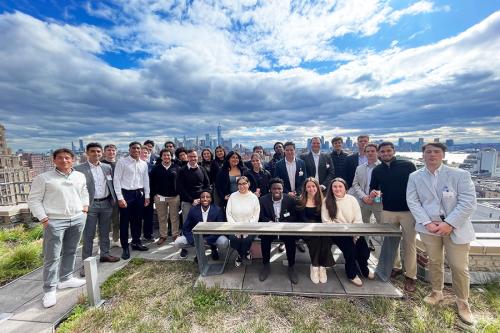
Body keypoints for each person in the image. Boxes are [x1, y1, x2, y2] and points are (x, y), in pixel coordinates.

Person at [407, 143, 477, 325]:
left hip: (456, 227)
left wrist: (449, 223)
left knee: (459, 266)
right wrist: (428, 223)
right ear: (423, 155)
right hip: (428, 227)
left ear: (443, 155)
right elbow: (413, 201)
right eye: (428, 151)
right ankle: (436, 292)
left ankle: (463, 302)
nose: (432, 155)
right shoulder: (415, 176)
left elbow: (468, 202)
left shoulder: (460, 175)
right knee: (435, 261)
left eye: (436, 151)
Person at [28, 148, 89, 308]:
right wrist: (44, 219)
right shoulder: (44, 178)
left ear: (73, 160)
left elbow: (84, 192)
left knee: (71, 250)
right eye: (60, 158)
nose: (64, 161)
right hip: (55, 221)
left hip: (77, 218)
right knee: (52, 256)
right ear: (54, 160)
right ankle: (49, 289)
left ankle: (66, 279)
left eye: (67, 158)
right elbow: (34, 200)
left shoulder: (79, 176)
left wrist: (84, 209)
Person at [370, 142, 417, 292]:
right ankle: (395, 267)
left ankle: (411, 276)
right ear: (379, 154)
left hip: (408, 211)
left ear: (394, 151)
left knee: (409, 244)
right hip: (388, 210)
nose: (385, 154)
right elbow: (374, 188)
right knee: (390, 242)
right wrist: (373, 193)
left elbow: (417, 185)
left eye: (388, 151)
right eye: (382, 152)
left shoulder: (408, 165)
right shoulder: (377, 170)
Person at [75, 143, 119, 278]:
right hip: (90, 205)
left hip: (106, 202)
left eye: (98, 151)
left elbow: (110, 183)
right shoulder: (79, 169)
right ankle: (86, 263)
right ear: (87, 153)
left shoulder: (106, 167)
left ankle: (104, 254)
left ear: (102, 153)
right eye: (93, 151)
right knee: (89, 234)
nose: (96, 154)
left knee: (105, 231)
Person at [322, 178, 373, 286]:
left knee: (364, 251)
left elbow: (358, 219)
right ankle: (352, 274)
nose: (337, 189)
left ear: (345, 188)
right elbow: (327, 222)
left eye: (340, 186)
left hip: (354, 231)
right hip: (338, 233)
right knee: (350, 251)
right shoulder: (327, 201)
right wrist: (345, 232)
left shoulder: (352, 200)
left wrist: (355, 235)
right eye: (334, 186)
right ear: (331, 188)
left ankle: (364, 268)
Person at [113, 141, 150, 260]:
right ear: (129, 150)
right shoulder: (122, 162)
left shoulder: (143, 163)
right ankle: (125, 246)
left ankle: (136, 242)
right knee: (124, 222)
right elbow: (116, 180)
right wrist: (120, 197)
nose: (136, 150)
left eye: (138, 148)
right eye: (133, 148)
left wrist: (147, 195)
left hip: (139, 194)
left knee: (138, 220)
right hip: (126, 194)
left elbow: (145, 180)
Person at [258, 178, 300, 283]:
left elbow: (294, 216)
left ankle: (291, 267)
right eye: (274, 189)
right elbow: (261, 215)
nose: (277, 191)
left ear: (282, 189)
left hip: (284, 228)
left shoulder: (289, 200)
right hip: (270, 228)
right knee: (264, 239)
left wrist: (284, 223)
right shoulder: (263, 200)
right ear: (270, 190)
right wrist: (269, 222)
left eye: (279, 188)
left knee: (290, 240)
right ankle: (266, 265)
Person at [296, 178, 334, 284]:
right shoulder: (301, 200)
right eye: (308, 186)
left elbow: (325, 218)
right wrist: (313, 227)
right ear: (305, 188)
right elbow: (302, 219)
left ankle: (322, 267)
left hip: (321, 229)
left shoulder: (323, 201)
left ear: (317, 187)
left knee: (326, 239)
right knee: (315, 240)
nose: (311, 188)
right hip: (306, 229)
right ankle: (314, 266)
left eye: (313, 186)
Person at [174, 191, 229, 260]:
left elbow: (220, 229)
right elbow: (186, 228)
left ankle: (213, 249)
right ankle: (200, 252)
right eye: (203, 197)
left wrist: (207, 240)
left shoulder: (217, 210)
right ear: (200, 199)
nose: (205, 199)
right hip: (197, 236)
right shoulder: (193, 210)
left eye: (207, 197)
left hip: (212, 237)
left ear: (211, 199)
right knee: (178, 242)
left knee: (224, 242)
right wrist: (195, 240)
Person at [351, 143, 381, 251]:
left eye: (372, 151)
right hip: (363, 202)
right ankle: (363, 249)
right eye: (367, 151)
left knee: (384, 230)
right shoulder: (359, 168)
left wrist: (376, 195)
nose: (370, 153)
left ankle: (393, 263)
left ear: (377, 152)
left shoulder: (383, 167)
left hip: (379, 203)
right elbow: (355, 184)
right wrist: (363, 197)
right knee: (363, 228)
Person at [226, 176, 260, 267]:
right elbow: (228, 213)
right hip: (234, 226)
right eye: (239, 184)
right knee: (234, 239)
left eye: (244, 183)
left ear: (248, 184)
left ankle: (241, 255)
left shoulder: (254, 198)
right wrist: (236, 228)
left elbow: (256, 215)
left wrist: (246, 229)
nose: (242, 186)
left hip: (250, 227)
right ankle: (243, 253)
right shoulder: (233, 196)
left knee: (246, 240)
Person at [150, 148, 180, 246]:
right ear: (161, 157)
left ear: (171, 157)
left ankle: (175, 235)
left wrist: (178, 193)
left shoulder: (176, 167)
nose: (166, 157)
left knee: (174, 217)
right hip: (160, 197)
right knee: (162, 217)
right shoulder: (156, 168)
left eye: (168, 155)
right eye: (164, 155)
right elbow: (152, 182)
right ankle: (163, 235)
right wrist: (155, 194)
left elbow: (181, 182)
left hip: (174, 197)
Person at [177, 149, 210, 222]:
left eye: (194, 156)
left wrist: (202, 198)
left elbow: (207, 185)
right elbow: (180, 188)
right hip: (187, 202)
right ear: (187, 158)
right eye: (190, 156)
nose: (193, 158)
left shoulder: (202, 169)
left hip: (201, 201)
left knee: (201, 223)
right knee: (188, 223)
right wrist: (191, 200)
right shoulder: (182, 170)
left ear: (197, 157)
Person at [101, 143, 120, 247]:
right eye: (108, 150)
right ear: (104, 152)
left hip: (117, 196)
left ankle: (116, 239)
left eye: (113, 150)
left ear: (116, 152)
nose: (111, 152)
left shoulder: (119, 164)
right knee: (103, 223)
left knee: (116, 220)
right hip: (104, 197)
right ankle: (103, 243)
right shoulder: (100, 164)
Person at [140, 145, 155, 242]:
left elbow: (154, 181)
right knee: (136, 216)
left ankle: (148, 234)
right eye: (142, 152)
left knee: (148, 215)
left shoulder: (151, 167)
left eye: (146, 153)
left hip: (149, 194)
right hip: (136, 194)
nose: (144, 154)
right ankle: (136, 236)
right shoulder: (132, 165)